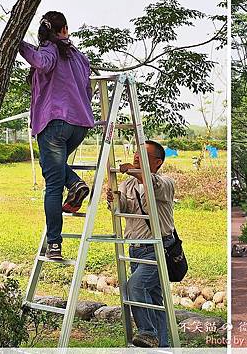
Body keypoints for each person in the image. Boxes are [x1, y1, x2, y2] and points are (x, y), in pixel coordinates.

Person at [19, 11, 94, 260]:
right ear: (65, 29)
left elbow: (41, 62)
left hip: (54, 122)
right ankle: (74, 183)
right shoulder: (79, 57)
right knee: (53, 166)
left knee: (52, 184)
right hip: (79, 125)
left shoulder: (50, 50)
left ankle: (54, 245)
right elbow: (88, 90)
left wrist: (17, 43)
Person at [106, 140, 175, 348]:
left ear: (158, 162)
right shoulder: (128, 185)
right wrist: (114, 199)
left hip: (157, 247)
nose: (136, 157)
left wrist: (134, 171)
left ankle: (148, 332)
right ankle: (162, 346)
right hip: (135, 248)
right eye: (136, 153)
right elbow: (123, 209)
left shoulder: (166, 182)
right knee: (154, 301)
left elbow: (151, 184)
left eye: (143, 155)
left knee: (135, 286)